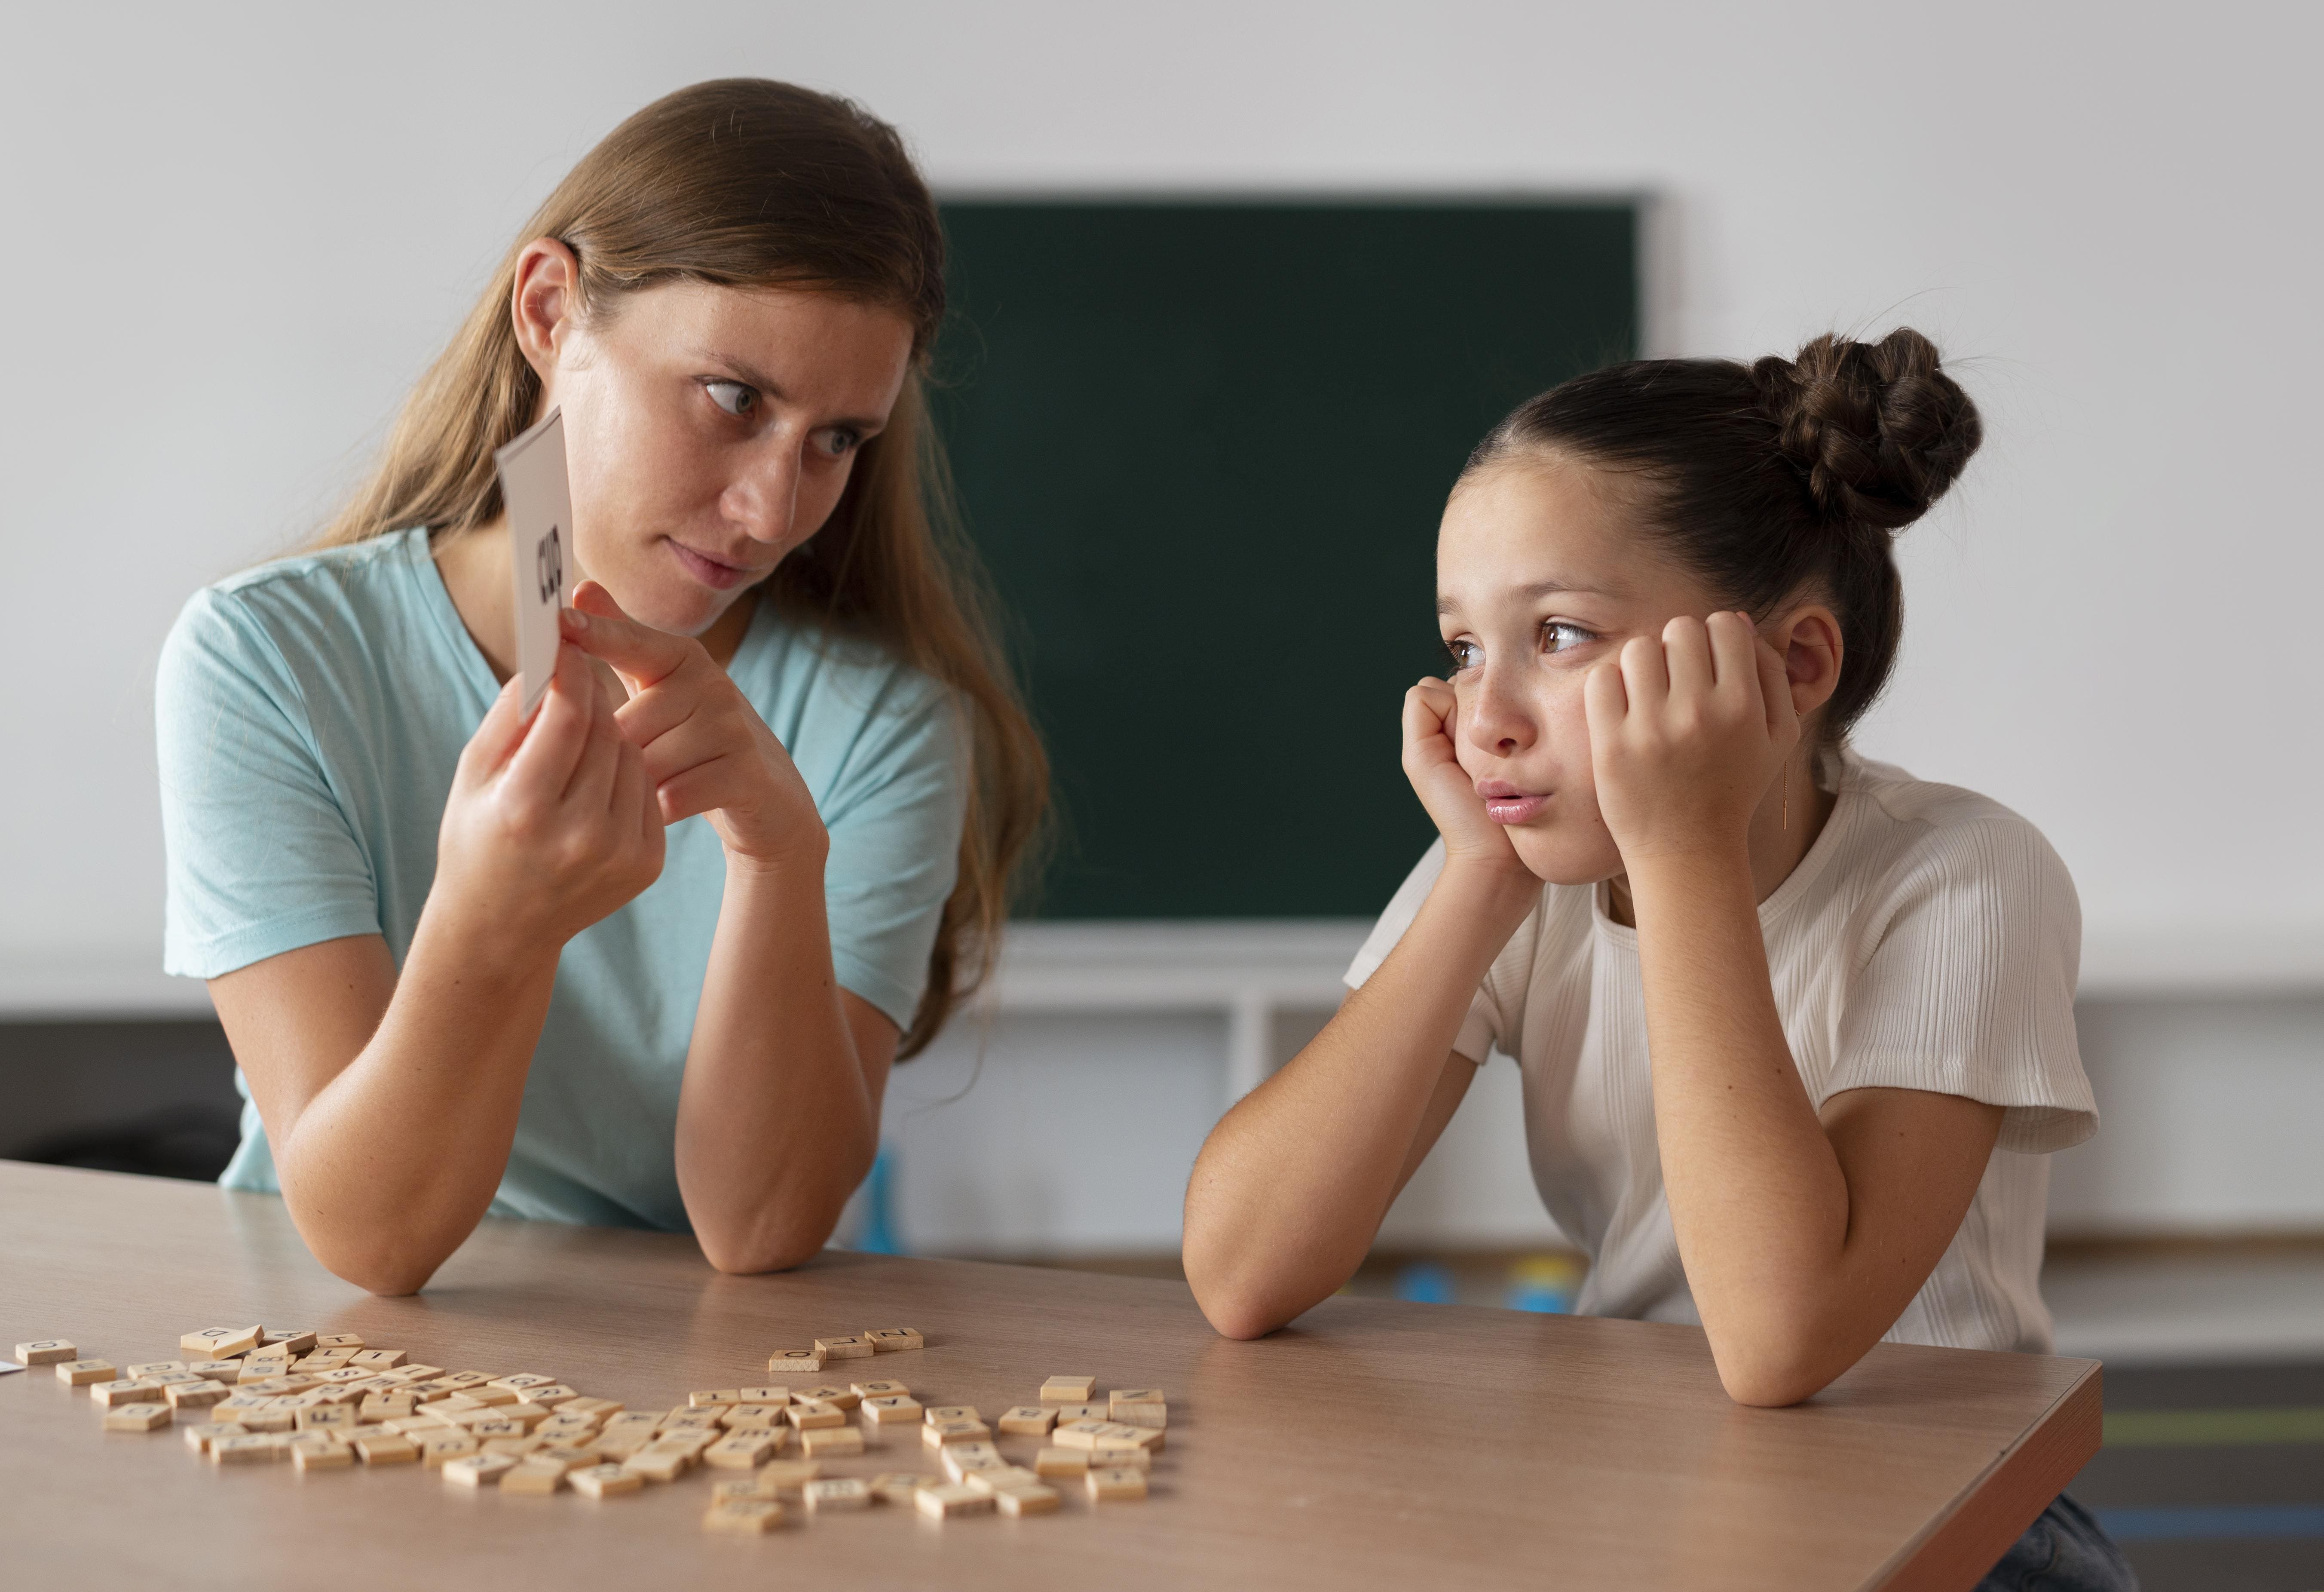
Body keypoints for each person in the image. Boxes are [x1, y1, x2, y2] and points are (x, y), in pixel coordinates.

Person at [1180, 330, 2134, 1588]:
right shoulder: (1525, 863)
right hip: (1655, 1486)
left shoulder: (1965, 873)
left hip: (1954, 1525)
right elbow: (1244, 1272)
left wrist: (1684, 850)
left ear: (1792, 668)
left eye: (1561, 635)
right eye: (1465, 649)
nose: (1484, 717)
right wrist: (1475, 879)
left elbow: (1780, 1341)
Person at [156, 79, 1045, 1295]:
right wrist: (493, 920)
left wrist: (778, 859)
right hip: (323, 1365)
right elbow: (373, 1244)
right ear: (549, 311)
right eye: (734, 399)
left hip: (668, 1393)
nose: (773, 512)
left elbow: (764, 1227)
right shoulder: (266, 664)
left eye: (838, 440)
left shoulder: (880, 730)